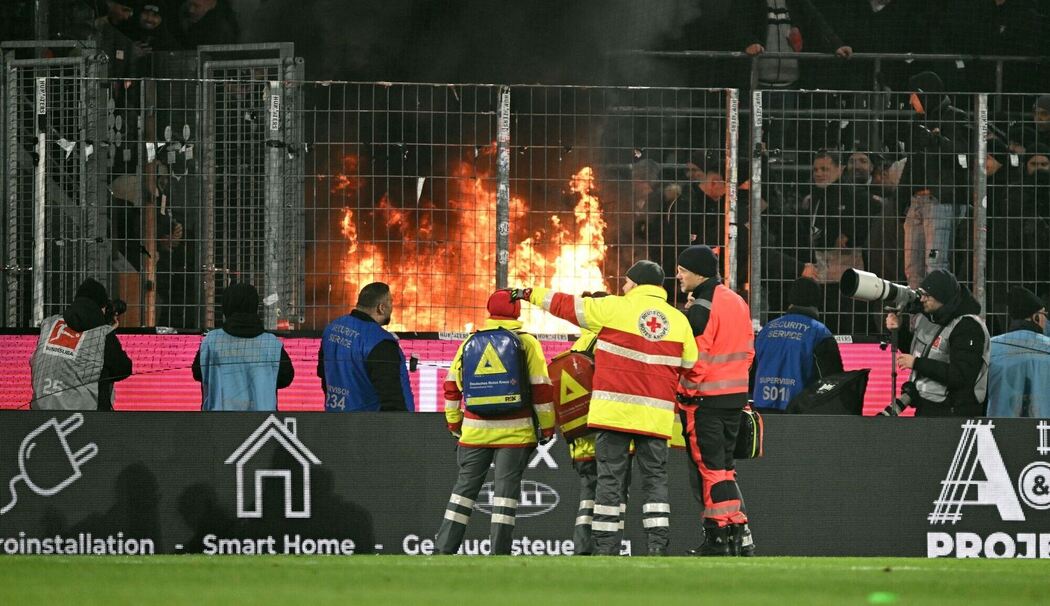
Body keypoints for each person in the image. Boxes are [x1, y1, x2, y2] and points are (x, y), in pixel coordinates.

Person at [516, 260, 698, 556]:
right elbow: (690, 365)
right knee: (655, 484)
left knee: (610, 483)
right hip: (655, 418)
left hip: (613, 415)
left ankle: (605, 549)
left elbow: (564, 305)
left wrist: (528, 292)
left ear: (636, 284)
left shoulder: (614, 308)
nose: (624, 288)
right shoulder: (678, 321)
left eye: (627, 283)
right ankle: (657, 547)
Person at [435, 290, 556, 555]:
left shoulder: (470, 341)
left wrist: (455, 423)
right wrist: (547, 426)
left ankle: (444, 548)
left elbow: (451, 386)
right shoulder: (527, 343)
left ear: (489, 310)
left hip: (474, 431)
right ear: (517, 312)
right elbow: (541, 389)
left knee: (463, 491)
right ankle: (499, 553)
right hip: (515, 434)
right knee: (505, 496)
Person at [673, 245, 755, 557]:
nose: (678, 274)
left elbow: (697, 358)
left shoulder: (702, 306)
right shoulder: (735, 300)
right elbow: (748, 352)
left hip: (704, 401)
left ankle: (718, 537)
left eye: (682, 269)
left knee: (710, 469)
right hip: (733, 398)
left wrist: (685, 392)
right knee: (724, 469)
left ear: (697, 272)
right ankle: (734, 529)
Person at [882, 269, 989, 417]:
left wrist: (917, 363)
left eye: (928, 295)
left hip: (955, 412)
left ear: (942, 297)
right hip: (927, 406)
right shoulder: (930, 318)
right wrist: (899, 331)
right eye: (922, 293)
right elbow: (920, 352)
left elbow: (960, 376)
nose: (922, 299)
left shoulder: (968, 326)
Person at [30, 278, 133, 410]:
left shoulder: (49, 323)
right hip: (83, 420)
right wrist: (109, 331)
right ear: (101, 307)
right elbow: (123, 369)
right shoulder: (102, 334)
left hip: (38, 413)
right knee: (104, 371)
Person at [191, 282, 294, 411]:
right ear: (254, 306)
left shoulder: (212, 341)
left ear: (226, 307)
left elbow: (198, 373)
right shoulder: (271, 344)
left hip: (218, 423)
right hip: (261, 424)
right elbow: (285, 378)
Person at [317, 282, 414, 412]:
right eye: (390, 302)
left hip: (336, 420)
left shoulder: (331, 329)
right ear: (381, 308)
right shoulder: (380, 342)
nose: (392, 307)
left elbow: (324, 374)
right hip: (369, 427)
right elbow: (392, 398)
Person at [987, 287, 1050, 418]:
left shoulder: (991, 346)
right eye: (1045, 315)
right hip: (1043, 429)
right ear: (1036, 317)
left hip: (1000, 428)